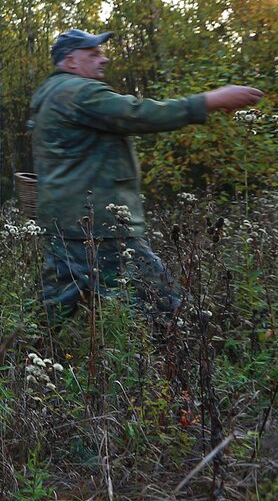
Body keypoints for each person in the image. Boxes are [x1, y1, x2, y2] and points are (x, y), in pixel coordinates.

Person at [30, 29, 263, 323]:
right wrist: (209, 101)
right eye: (94, 54)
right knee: (171, 313)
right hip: (100, 227)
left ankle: (13, 359)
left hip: (64, 224)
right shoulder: (79, 92)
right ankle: (189, 361)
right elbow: (138, 114)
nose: (104, 59)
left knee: (48, 317)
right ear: (71, 61)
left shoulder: (50, 94)